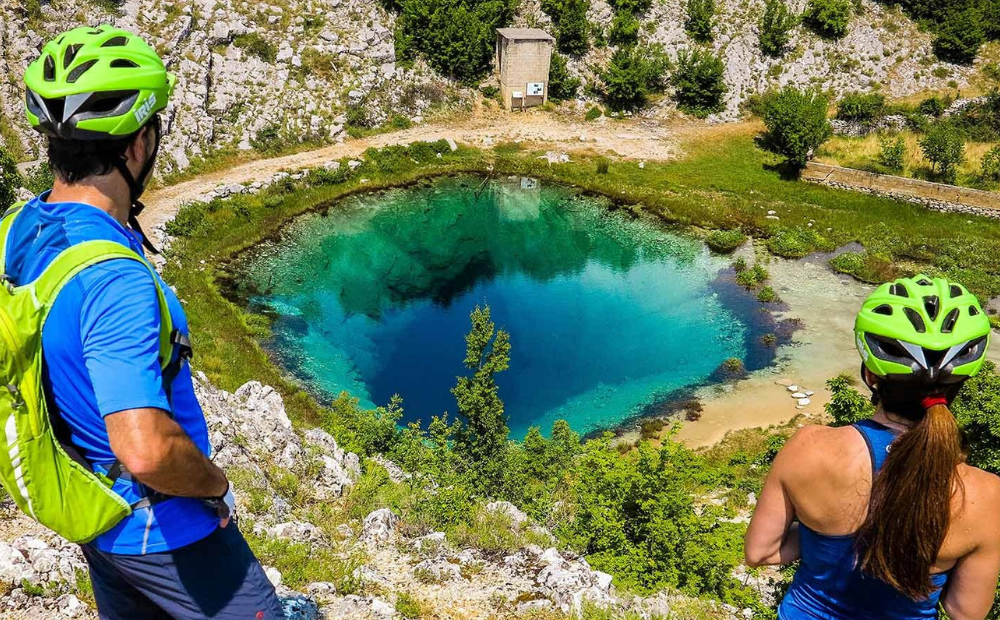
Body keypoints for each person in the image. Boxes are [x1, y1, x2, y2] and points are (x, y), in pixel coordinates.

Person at [2, 26, 285, 620]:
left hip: (92, 510)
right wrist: (213, 483)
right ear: (137, 146)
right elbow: (147, 449)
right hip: (166, 527)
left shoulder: (18, 230)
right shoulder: (115, 280)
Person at [745, 275, 1000, 620]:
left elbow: (761, 552)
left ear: (870, 375)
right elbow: (964, 611)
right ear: (960, 383)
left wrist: (827, 539)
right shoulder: (987, 495)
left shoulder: (808, 447)